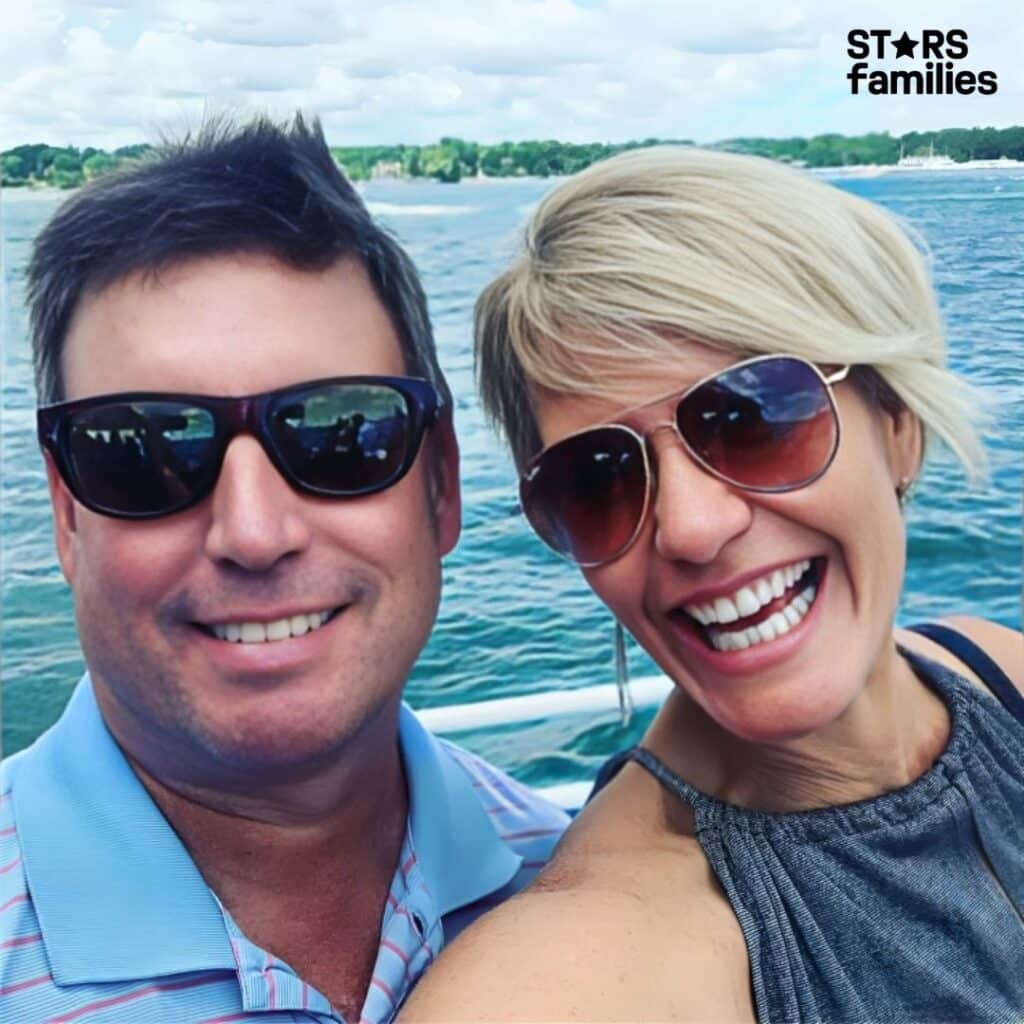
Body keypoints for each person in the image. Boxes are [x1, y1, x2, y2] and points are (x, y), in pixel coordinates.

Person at [400, 147, 1024, 1022]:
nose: (692, 527)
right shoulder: (588, 964)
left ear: (899, 426)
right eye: (598, 480)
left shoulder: (997, 671)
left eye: (752, 418)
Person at [0, 115, 567, 1024]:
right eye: (145, 449)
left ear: (443, 486)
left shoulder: (576, 888)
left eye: (345, 433)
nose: (254, 532)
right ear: (68, 515)